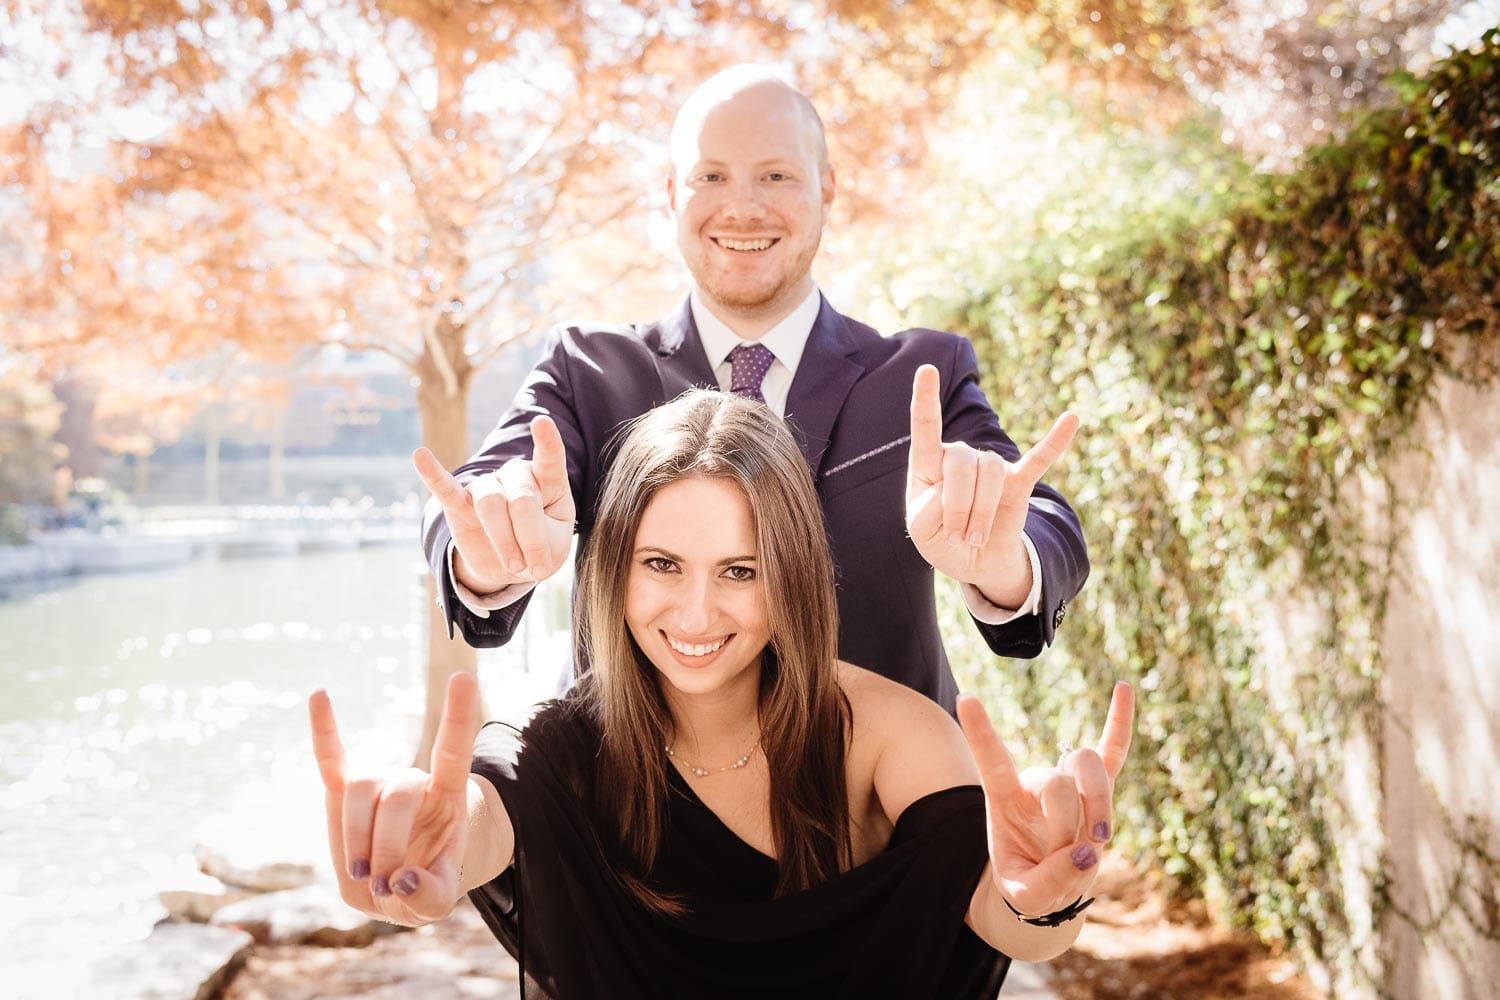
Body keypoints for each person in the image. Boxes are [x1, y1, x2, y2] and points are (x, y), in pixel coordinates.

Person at [316, 391, 1133, 998]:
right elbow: (479, 821)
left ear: (794, 576)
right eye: (661, 564)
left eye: (741, 571)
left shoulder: (890, 731)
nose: (697, 613)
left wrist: (1043, 897)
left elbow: (997, 907)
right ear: (612, 570)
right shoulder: (554, 747)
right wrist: (431, 847)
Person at [416, 64, 1089, 712]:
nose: (742, 207)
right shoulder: (587, 372)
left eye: (775, 174)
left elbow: (1042, 524)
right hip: (631, 811)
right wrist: (490, 548)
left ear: (827, 187)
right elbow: (477, 500)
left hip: (875, 811)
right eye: (711, 175)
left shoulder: (921, 378)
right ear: (672, 192)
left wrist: (1002, 562)